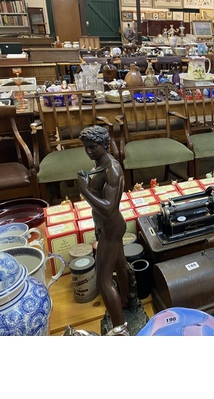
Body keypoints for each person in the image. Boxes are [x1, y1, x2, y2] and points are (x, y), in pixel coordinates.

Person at [77, 125, 129, 328]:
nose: (89, 151)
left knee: (103, 282)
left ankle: (119, 329)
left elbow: (108, 208)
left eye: (93, 147)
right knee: (120, 264)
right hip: (105, 227)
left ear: (104, 145)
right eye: (86, 147)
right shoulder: (99, 163)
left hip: (111, 228)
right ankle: (125, 300)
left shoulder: (112, 170)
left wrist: (84, 190)